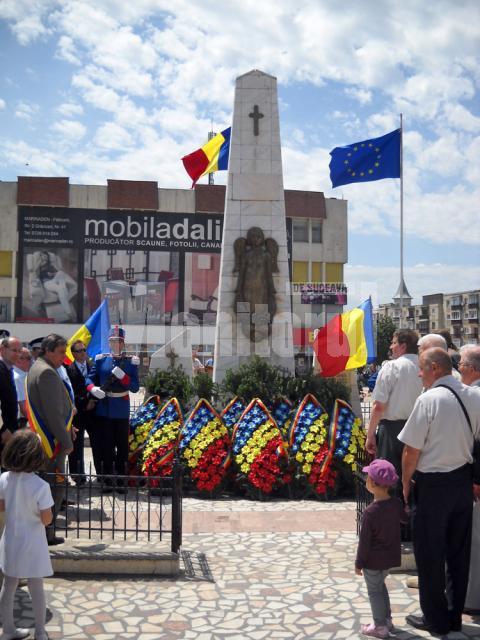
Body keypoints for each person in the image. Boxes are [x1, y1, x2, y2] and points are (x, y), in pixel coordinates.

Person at [399, 348, 480, 636]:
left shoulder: (429, 399)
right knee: (458, 555)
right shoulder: (474, 395)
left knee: (430, 556)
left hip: (433, 485)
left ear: (434, 367)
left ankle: (434, 618)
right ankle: (454, 616)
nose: (420, 374)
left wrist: (405, 485)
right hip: (461, 484)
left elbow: (411, 450)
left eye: (422, 368)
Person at [0, 429, 53, 640]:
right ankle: (40, 632)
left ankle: (8, 630)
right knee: (36, 585)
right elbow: (46, 519)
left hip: (11, 539)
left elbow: (2, 506)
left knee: (9, 584)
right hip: (33, 543)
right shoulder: (41, 486)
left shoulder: (4, 479)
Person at [26, 334, 74, 545]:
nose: (65, 356)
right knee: (55, 486)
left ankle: (45, 532)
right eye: (61, 352)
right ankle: (48, 533)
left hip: (50, 437)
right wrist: (66, 440)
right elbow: (53, 414)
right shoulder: (46, 373)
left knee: (50, 484)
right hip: (52, 442)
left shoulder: (38, 367)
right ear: (48, 351)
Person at [355, 459, 408, 639]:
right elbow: (406, 519)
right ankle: (387, 620)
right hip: (389, 559)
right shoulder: (395, 504)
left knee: (374, 591)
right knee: (381, 587)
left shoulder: (370, 512)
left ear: (373, 483)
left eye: (368, 477)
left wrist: (359, 563)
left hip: (372, 560)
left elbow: (364, 542)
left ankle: (379, 626)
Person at [86, 326, 139, 493]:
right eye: (113, 341)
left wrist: (124, 377)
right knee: (106, 446)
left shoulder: (131, 362)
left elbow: (135, 387)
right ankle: (108, 480)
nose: (116, 344)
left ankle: (121, 480)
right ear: (109, 343)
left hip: (122, 410)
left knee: (122, 447)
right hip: (105, 408)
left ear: (123, 344)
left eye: (119, 341)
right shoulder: (101, 360)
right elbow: (89, 378)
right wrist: (92, 389)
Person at [365, 329, 422, 484]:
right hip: (419, 430)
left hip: (392, 431)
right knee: (415, 478)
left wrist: (370, 434)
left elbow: (378, 406)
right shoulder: (425, 366)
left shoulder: (392, 367)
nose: (391, 347)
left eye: (394, 342)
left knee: (388, 480)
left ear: (403, 346)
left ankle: (392, 508)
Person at [458, 344, 480, 614]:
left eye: (461, 364)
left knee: (475, 542)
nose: (458, 368)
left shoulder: (474, 395)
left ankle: (473, 600)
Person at [67, 340, 100, 481]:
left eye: (84, 350)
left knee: (98, 444)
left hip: (94, 413)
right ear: (74, 354)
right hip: (78, 413)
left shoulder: (93, 366)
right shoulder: (68, 369)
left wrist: (93, 400)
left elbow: (99, 385)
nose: (83, 353)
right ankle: (77, 476)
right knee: (76, 446)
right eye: (80, 350)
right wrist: (84, 403)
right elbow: (70, 392)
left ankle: (101, 474)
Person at [31, 250, 77, 321]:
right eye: (42, 255)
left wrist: (53, 269)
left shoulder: (51, 264)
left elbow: (59, 271)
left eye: (45, 255)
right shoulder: (39, 265)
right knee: (61, 289)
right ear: (40, 257)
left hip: (54, 279)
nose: (44, 256)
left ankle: (63, 297)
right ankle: (69, 312)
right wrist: (38, 263)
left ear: (47, 256)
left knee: (61, 273)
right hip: (47, 283)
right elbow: (35, 274)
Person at [0, 337, 22, 451]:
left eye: (20, 351)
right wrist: (3, 430)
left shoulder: (7, 369)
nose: (18, 354)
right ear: (2, 349)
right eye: (14, 350)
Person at [12, 346, 32, 428]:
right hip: (22, 421)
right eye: (28, 358)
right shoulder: (17, 377)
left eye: (29, 358)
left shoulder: (23, 374)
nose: (30, 360)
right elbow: (23, 407)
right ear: (18, 359)